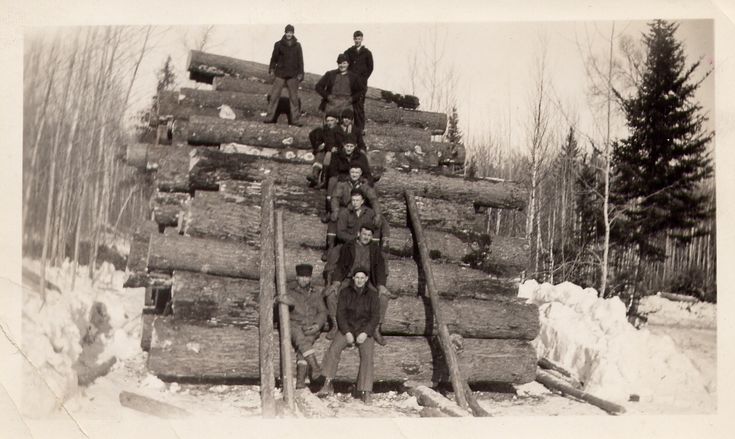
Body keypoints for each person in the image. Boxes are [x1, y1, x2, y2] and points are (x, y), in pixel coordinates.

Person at [316, 267, 380, 404]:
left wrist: (366, 332)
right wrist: (347, 332)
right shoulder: (345, 292)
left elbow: (375, 317)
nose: (359, 280)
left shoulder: (373, 295)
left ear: (367, 279)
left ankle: (366, 390)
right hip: (348, 329)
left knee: (368, 355)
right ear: (353, 278)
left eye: (362, 278)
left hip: (364, 330)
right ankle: (327, 383)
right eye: (357, 278)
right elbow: (340, 314)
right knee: (334, 349)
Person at [324, 224, 392, 346]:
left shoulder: (375, 249)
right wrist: (336, 283)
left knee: (383, 297)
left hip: (368, 280)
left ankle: (376, 329)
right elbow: (340, 266)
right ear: (358, 234)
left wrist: (381, 285)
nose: (366, 237)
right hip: (349, 279)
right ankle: (335, 325)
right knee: (331, 295)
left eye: (369, 235)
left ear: (372, 236)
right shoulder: (348, 246)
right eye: (364, 234)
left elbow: (380, 269)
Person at [282, 263, 327, 389]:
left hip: (310, 327)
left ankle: (300, 383)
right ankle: (316, 368)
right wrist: (282, 301)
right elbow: (276, 301)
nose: (304, 280)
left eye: (307, 277)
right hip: (294, 325)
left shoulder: (315, 293)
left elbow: (323, 312)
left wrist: (317, 325)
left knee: (304, 346)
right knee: (301, 339)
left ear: (310, 278)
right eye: (301, 277)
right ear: (297, 277)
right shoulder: (289, 290)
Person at [265, 24, 304, 126]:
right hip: (280, 73)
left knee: (294, 98)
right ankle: (269, 117)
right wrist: (272, 68)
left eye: (291, 32)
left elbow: (300, 60)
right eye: (287, 32)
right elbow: (274, 58)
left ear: (293, 33)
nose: (289, 34)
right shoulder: (278, 44)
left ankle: (295, 120)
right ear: (285, 32)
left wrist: (301, 73)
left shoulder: (298, 45)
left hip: (293, 74)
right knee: (274, 96)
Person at [343, 30, 374, 134]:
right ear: (353, 39)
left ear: (362, 39)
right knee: (347, 103)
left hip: (361, 84)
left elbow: (370, 68)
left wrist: (363, 79)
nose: (357, 40)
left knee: (359, 105)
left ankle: (359, 129)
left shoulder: (367, 53)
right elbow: (343, 63)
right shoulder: (348, 52)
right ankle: (344, 127)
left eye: (359, 39)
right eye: (356, 38)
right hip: (350, 83)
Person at [307, 110, 342, 188]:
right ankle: (315, 175)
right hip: (326, 151)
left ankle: (324, 180)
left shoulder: (339, 130)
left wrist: (326, 145)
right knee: (320, 153)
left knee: (327, 155)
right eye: (328, 120)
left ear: (337, 120)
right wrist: (317, 146)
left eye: (332, 120)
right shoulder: (325, 129)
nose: (329, 122)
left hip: (336, 153)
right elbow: (312, 135)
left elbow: (336, 144)